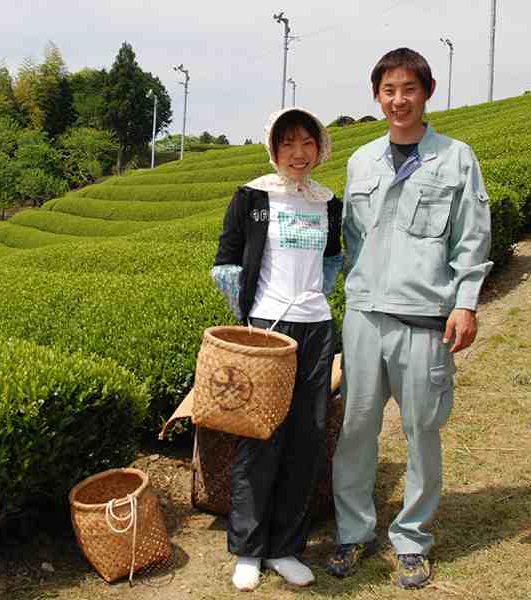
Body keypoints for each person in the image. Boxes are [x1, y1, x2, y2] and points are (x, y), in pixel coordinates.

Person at [326, 47, 492, 589]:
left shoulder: (455, 157)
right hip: (366, 316)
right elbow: (351, 238)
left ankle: (413, 537)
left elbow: (472, 238)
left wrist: (464, 302)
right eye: (389, 90)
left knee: (422, 430)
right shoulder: (361, 161)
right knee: (355, 429)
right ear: (376, 95)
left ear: (427, 92)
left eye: (409, 89)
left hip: (424, 317)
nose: (399, 100)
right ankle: (353, 531)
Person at [211, 106, 343, 591]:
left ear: (319, 148)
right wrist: (248, 322)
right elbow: (226, 261)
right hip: (267, 330)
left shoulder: (328, 202)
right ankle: (248, 548)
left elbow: (332, 261)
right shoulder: (253, 197)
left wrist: (316, 298)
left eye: (307, 143)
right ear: (273, 148)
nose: (298, 153)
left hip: (316, 326)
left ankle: (286, 547)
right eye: (287, 143)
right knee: (258, 437)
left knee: (306, 439)